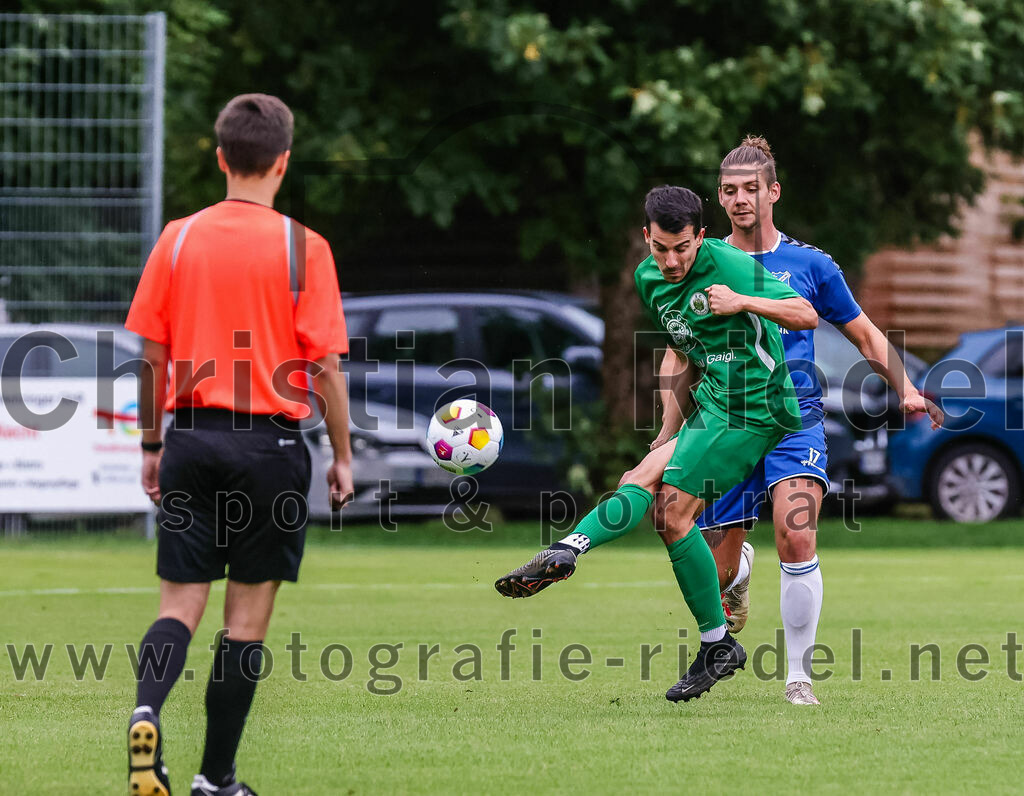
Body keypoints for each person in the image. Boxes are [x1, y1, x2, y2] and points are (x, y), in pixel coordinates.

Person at [647, 136, 944, 706]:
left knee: (796, 531)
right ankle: (737, 574)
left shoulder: (810, 265)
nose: (739, 200)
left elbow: (861, 332)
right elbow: (679, 353)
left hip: (794, 422)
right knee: (719, 565)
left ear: (773, 192)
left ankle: (799, 678)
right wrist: (668, 428)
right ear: (718, 197)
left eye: (751, 189)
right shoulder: (695, 265)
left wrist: (905, 389)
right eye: (729, 190)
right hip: (728, 421)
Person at [495, 185, 819, 703]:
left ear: (701, 238)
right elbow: (681, 349)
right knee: (637, 482)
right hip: (712, 404)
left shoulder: (730, 265)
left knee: (671, 511)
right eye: (661, 247)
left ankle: (715, 643)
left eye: (683, 248)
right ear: (646, 237)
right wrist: (668, 427)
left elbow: (805, 313)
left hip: (757, 406)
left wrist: (743, 301)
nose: (671, 260)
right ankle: (568, 551)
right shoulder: (648, 279)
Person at [124, 93, 354, 796]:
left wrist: (152, 443)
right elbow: (322, 369)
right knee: (244, 625)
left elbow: (151, 355)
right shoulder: (302, 248)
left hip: (191, 439)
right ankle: (216, 778)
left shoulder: (179, 238)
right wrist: (343, 455)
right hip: (270, 450)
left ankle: (146, 712)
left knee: (177, 605)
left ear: (221, 157)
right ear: (282, 162)